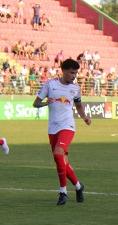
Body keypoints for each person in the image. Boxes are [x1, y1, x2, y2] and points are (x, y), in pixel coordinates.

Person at [33, 59, 91, 205]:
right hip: (53, 128)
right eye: (72, 72)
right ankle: (78, 186)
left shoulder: (75, 88)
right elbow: (36, 103)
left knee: (59, 153)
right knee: (61, 161)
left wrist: (84, 117)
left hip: (68, 126)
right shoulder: (50, 84)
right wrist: (47, 102)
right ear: (63, 70)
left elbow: (78, 105)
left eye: (76, 73)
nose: (74, 75)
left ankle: (63, 192)